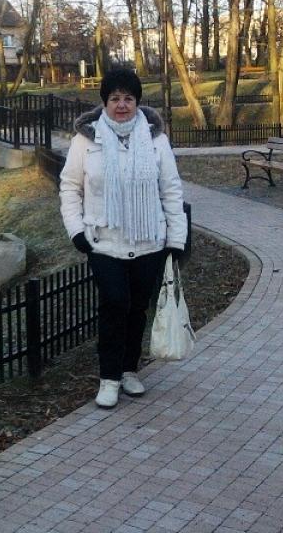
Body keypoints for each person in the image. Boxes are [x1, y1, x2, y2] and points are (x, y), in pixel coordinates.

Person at [59, 68, 187, 409]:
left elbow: (171, 190)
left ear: (137, 102)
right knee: (114, 304)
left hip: (149, 241)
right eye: (114, 98)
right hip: (104, 241)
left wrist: (176, 238)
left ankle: (129, 370)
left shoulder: (156, 140)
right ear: (104, 102)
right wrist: (76, 230)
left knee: (137, 309)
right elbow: (70, 187)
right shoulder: (86, 141)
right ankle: (109, 378)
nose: (121, 105)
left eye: (128, 98)